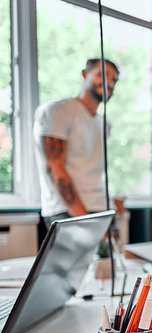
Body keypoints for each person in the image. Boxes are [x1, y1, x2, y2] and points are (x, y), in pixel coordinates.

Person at [33, 58, 120, 227]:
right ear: (85, 75)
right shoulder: (58, 111)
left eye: (114, 80)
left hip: (102, 209)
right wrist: (83, 218)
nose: (109, 82)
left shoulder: (104, 124)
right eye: (102, 74)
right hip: (68, 212)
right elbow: (55, 167)